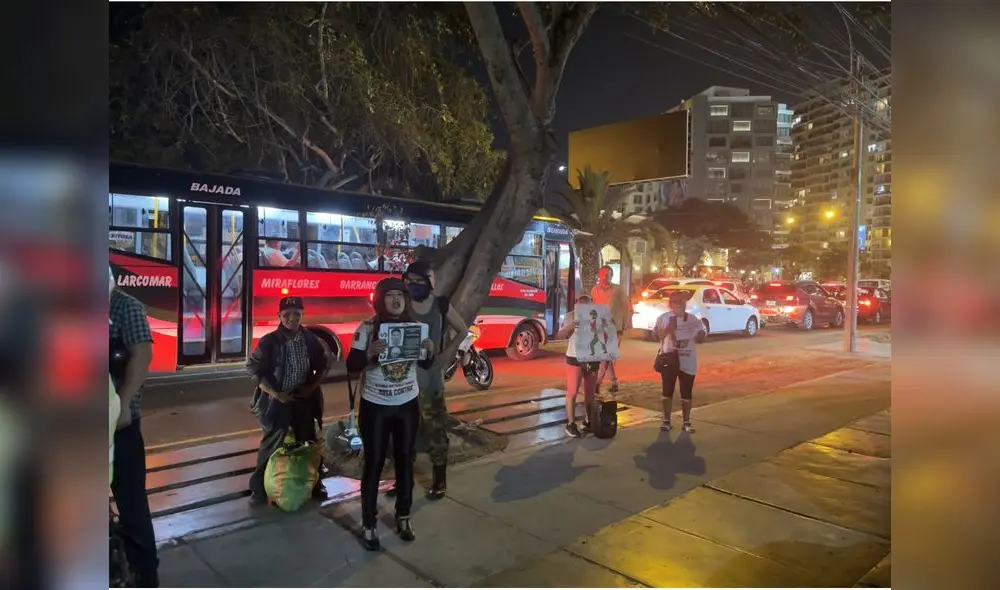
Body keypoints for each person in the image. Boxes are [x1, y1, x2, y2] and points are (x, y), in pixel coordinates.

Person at [346, 277, 435, 550]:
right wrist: (368, 353)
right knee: (373, 464)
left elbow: (424, 363)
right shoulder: (367, 328)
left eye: (400, 295)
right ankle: (369, 522)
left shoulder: (416, 328)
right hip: (375, 406)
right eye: (389, 295)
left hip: (407, 404)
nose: (396, 300)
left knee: (405, 460)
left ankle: (403, 515)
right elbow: (351, 366)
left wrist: (429, 352)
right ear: (379, 299)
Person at [246, 296, 329, 506]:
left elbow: (324, 363)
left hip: (303, 399)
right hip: (278, 401)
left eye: (296, 314)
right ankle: (258, 489)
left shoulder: (311, 339)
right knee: (272, 442)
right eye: (286, 315)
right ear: (279, 316)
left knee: (307, 441)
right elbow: (253, 369)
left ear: (303, 314)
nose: (292, 319)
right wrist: (276, 394)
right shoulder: (269, 341)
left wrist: (311, 387)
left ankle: (315, 483)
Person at [397, 261, 468, 500]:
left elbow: (462, 330)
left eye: (419, 282)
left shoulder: (440, 304)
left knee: (436, 430)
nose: (414, 286)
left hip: (430, 381)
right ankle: (402, 479)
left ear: (429, 282)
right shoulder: (403, 305)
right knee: (404, 432)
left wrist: (447, 353)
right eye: (411, 282)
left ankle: (439, 480)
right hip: (403, 380)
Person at [109, 269, 159, 587]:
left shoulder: (125, 306)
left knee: (130, 501)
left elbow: (142, 353)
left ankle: (145, 573)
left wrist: (123, 403)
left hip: (119, 425)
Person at [653, 291, 707, 433]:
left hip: (687, 360)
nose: (678, 304)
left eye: (681, 301)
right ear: (670, 303)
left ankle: (686, 422)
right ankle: (666, 420)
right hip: (669, 360)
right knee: (667, 391)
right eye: (675, 301)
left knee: (686, 392)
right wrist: (668, 329)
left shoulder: (693, 319)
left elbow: (701, 338)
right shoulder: (664, 318)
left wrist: (701, 335)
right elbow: (656, 335)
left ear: (685, 303)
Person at [557, 295, 600, 437]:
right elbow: (560, 335)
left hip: (592, 358)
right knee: (573, 392)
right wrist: (573, 325)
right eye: (580, 303)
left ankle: (589, 421)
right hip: (574, 357)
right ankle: (571, 423)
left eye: (586, 303)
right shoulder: (570, 316)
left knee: (590, 394)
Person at [590, 265, 629, 393]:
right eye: (602, 274)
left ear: (611, 276)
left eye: (607, 275)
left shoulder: (617, 289)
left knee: (606, 356)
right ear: (598, 275)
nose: (604, 277)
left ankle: (597, 383)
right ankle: (614, 382)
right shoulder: (594, 290)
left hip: (614, 328)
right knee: (606, 355)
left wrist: (625, 324)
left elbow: (626, 307)